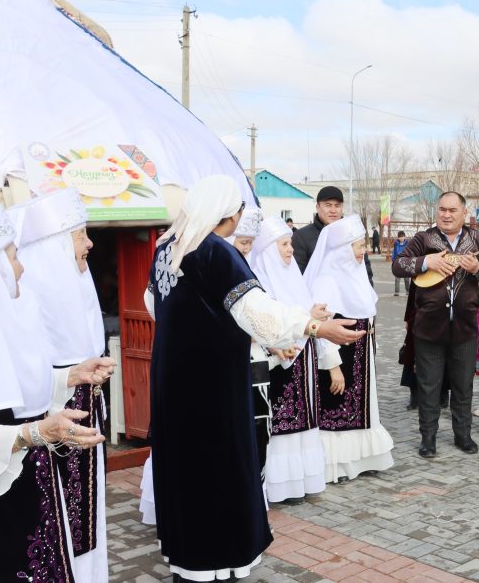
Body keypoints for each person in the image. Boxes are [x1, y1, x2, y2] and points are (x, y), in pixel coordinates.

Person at [145, 175, 365, 581]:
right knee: (219, 466)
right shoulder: (215, 252)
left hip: (173, 379)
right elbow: (259, 314)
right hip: (212, 384)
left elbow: (153, 303)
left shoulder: (166, 246)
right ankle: (215, 559)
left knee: (183, 466)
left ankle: (185, 554)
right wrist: (317, 329)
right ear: (231, 214)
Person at [0, 197, 113, 582]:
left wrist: (70, 376)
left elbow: (17, 390)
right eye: (10, 255)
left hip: (29, 485)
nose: (20, 266)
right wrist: (37, 433)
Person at [392, 192, 479, 458]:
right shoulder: (424, 239)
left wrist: (477, 269)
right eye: (442, 209)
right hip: (429, 326)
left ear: (464, 213)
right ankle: (428, 438)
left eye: (453, 210)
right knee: (429, 385)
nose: (447, 215)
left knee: (464, 385)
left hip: (464, 327)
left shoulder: (476, 239)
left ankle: (462, 435)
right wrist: (427, 262)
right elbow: (398, 265)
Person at [307, 215, 395, 483]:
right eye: (358, 246)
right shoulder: (326, 279)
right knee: (336, 412)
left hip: (362, 356)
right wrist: (333, 366)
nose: (363, 251)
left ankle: (360, 460)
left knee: (362, 410)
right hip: (339, 359)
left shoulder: (355, 275)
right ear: (343, 250)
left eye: (364, 245)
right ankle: (338, 466)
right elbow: (320, 329)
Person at [250, 216, 331, 505]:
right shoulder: (259, 282)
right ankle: (280, 485)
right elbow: (262, 321)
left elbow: (298, 313)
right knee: (284, 424)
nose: (289, 250)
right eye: (283, 244)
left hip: (303, 357)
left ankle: (303, 480)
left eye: (290, 244)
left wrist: (313, 315)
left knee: (305, 420)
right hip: (280, 362)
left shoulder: (292, 276)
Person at [292, 186, 345, 273]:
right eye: (328, 205)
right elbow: (296, 275)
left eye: (337, 206)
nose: (333, 210)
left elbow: (364, 271)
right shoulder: (301, 237)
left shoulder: (351, 234)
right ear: (317, 207)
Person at [392, 230, 411, 296]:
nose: (401, 238)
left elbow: (410, 252)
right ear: (398, 237)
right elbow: (394, 253)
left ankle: (408, 291)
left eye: (402, 237)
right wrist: (393, 260)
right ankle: (396, 292)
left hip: (405, 262)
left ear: (404, 237)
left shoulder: (407, 244)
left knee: (406, 278)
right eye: (400, 237)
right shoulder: (396, 244)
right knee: (397, 278)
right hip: (397, 262)